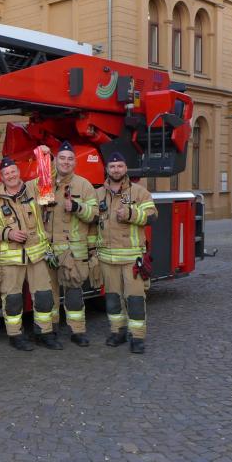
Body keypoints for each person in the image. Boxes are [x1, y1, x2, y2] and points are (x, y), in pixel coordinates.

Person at [0, 156, 62, 351]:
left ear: (19, 172)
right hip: (11, 259)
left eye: (13, 171)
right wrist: (8, 233)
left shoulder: (33, 189)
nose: (11, 176)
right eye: (6, 173)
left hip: (37, 256)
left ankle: (44, 334)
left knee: (44, 297)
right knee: (13, 300)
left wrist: (46, 157)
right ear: (1, 177)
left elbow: (50, 176)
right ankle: (15, 336)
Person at [95, 152, 157, 354]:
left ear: (125, 169)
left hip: (132, 259)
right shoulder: (98, 194)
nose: (116, 170)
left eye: (120, 166)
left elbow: (152, 216)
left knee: (135, 299)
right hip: (107, 258)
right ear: (107, 169)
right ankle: (117, 332)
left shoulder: (139, 192)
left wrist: (131, 214)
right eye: (112, 167)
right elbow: (90, 221)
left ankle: (137, 337)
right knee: (112, 298)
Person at [39, 142, 98, 347]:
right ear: (56, 160)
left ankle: (77, 331)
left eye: (70, 159)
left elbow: (94, 215)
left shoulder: (84, 185)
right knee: (48, 294)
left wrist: (76, 207)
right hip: (48, 251)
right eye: (62, 158)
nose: (66, 162)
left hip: (72, 252)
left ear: (75, 162)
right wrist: (42, 158)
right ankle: (51, 330)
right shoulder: (45, 184)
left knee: (73, 294)